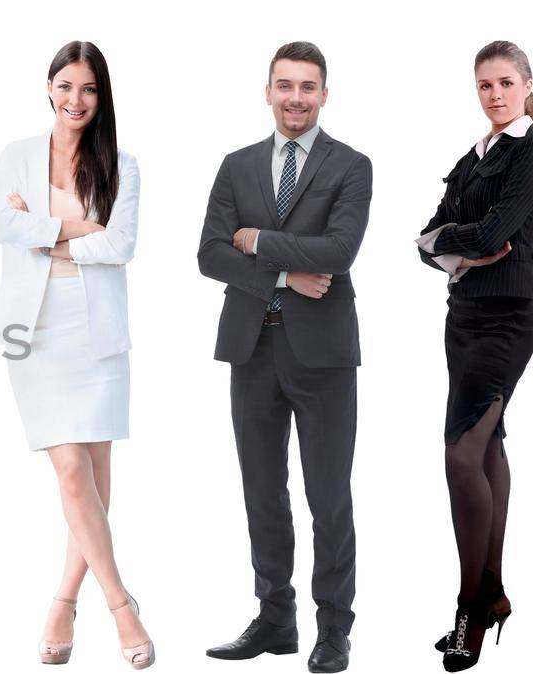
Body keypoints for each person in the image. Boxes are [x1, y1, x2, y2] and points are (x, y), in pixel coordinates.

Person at [196, 41, 371, 674]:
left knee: (329, 497)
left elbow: (339, 250)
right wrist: (282, 276)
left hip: (323, 357)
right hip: (252, 350)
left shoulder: (351, 165)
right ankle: (275, 619)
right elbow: (210, 254)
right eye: (284, 85)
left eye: (307, 87)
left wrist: (262, 242)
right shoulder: (236, 165)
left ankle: (334, 629)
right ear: (267, 91)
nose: (295, 97)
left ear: (325, 94)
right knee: (262, 492)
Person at [0, 40, 152, 669]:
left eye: (87, 88)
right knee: (68, 470)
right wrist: (78, 230)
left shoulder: (123, 165)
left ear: (101, 95)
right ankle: (122, 606)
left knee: (94, 481)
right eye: (65, 85)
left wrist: (51, 237)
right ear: (48, 88)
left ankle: (62, 601)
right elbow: (4, 227)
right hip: (33, 333)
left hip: (97, 333)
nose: (74, 99)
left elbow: (122, 244)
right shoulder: (17, 156)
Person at [415, 40, 533, 673]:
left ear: (526, 84)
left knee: (460, 455)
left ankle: (469, 605)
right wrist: (457, 243)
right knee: (488, 447)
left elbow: (496, 235)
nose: (494, 94)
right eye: (484, 85)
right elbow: (426, 238)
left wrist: (457, 243)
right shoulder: (475, 158)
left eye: (504, 82)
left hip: (504, 323)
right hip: (461, 319)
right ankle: (493, 592)